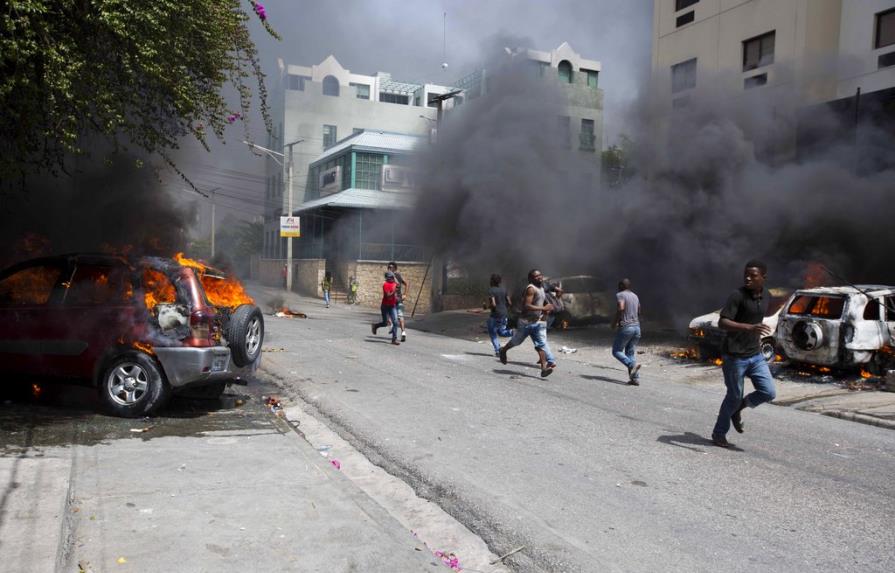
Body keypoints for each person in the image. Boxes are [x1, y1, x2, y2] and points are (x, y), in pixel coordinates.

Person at [711, 259, 777, 449]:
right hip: (734, 356)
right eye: (746, 275)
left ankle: (739, 408)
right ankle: (719, 434)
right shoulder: (737, 296)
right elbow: (722, 322)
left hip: (755, 355)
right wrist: (749, 327)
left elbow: (759, 319)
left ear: (763, 277)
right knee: (733, 396)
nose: (748, 278)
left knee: (769, 392)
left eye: (753, 275)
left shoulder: (767, 296)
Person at [498, 269, 557, 378]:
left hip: (537, 322)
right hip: (525, 322)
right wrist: (543, 308)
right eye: (536, 276)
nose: (539, 277)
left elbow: (542, 300)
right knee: (516, 342)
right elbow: (527, 305)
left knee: (540, 344)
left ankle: (544, 368)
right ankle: (503, 350)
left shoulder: (541, 287)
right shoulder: (531, 289)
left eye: (540, 275)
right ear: (531, 279)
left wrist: (547, 307)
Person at [611, 278, 642, 385]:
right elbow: (639, 310)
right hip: (637, 327)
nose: (618, 288)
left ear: (622, 286)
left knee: (616, 351)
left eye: (619, 286)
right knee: (630, 353)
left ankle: (631, 365)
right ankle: (635, 379)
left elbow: (621, 308)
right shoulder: (635, 296)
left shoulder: (620, 294)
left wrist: (614, 322)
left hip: (626, 327)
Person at [487, 274, 513, 356]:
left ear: (492, 281)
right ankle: (513, 332)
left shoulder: (491, 290)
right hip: (504, 313)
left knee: (492, 333)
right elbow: (509, 303)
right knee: (501, 332)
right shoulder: (504, 290)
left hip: (495, 314)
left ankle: (498, 350)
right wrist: (504, 308)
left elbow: (493, 304)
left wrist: (487, 307)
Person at [371, 271, 400, 345]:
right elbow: (388, 296)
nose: (392, 279)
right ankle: (375, 326)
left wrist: (395, 278)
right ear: (387, 278)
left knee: (395, 322)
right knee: (385, 323)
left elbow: (399, 285)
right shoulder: (385, 285)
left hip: (392, 306)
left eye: (393, 277)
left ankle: (394, 339)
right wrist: (394, 290)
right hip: (385, 306)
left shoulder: (394, 283)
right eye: (391, 277)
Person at [387, 261, 409, 342]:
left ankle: (402, 332)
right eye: (389, 267)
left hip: (396, 299)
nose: (389, 268)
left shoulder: (396, 276)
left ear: (395, 268)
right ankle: (397, 330)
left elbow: (406, 283)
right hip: (393, 299)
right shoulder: (390, 276)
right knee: (397, 316)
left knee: (397, 315)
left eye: (391, 267)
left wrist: (405, 294)